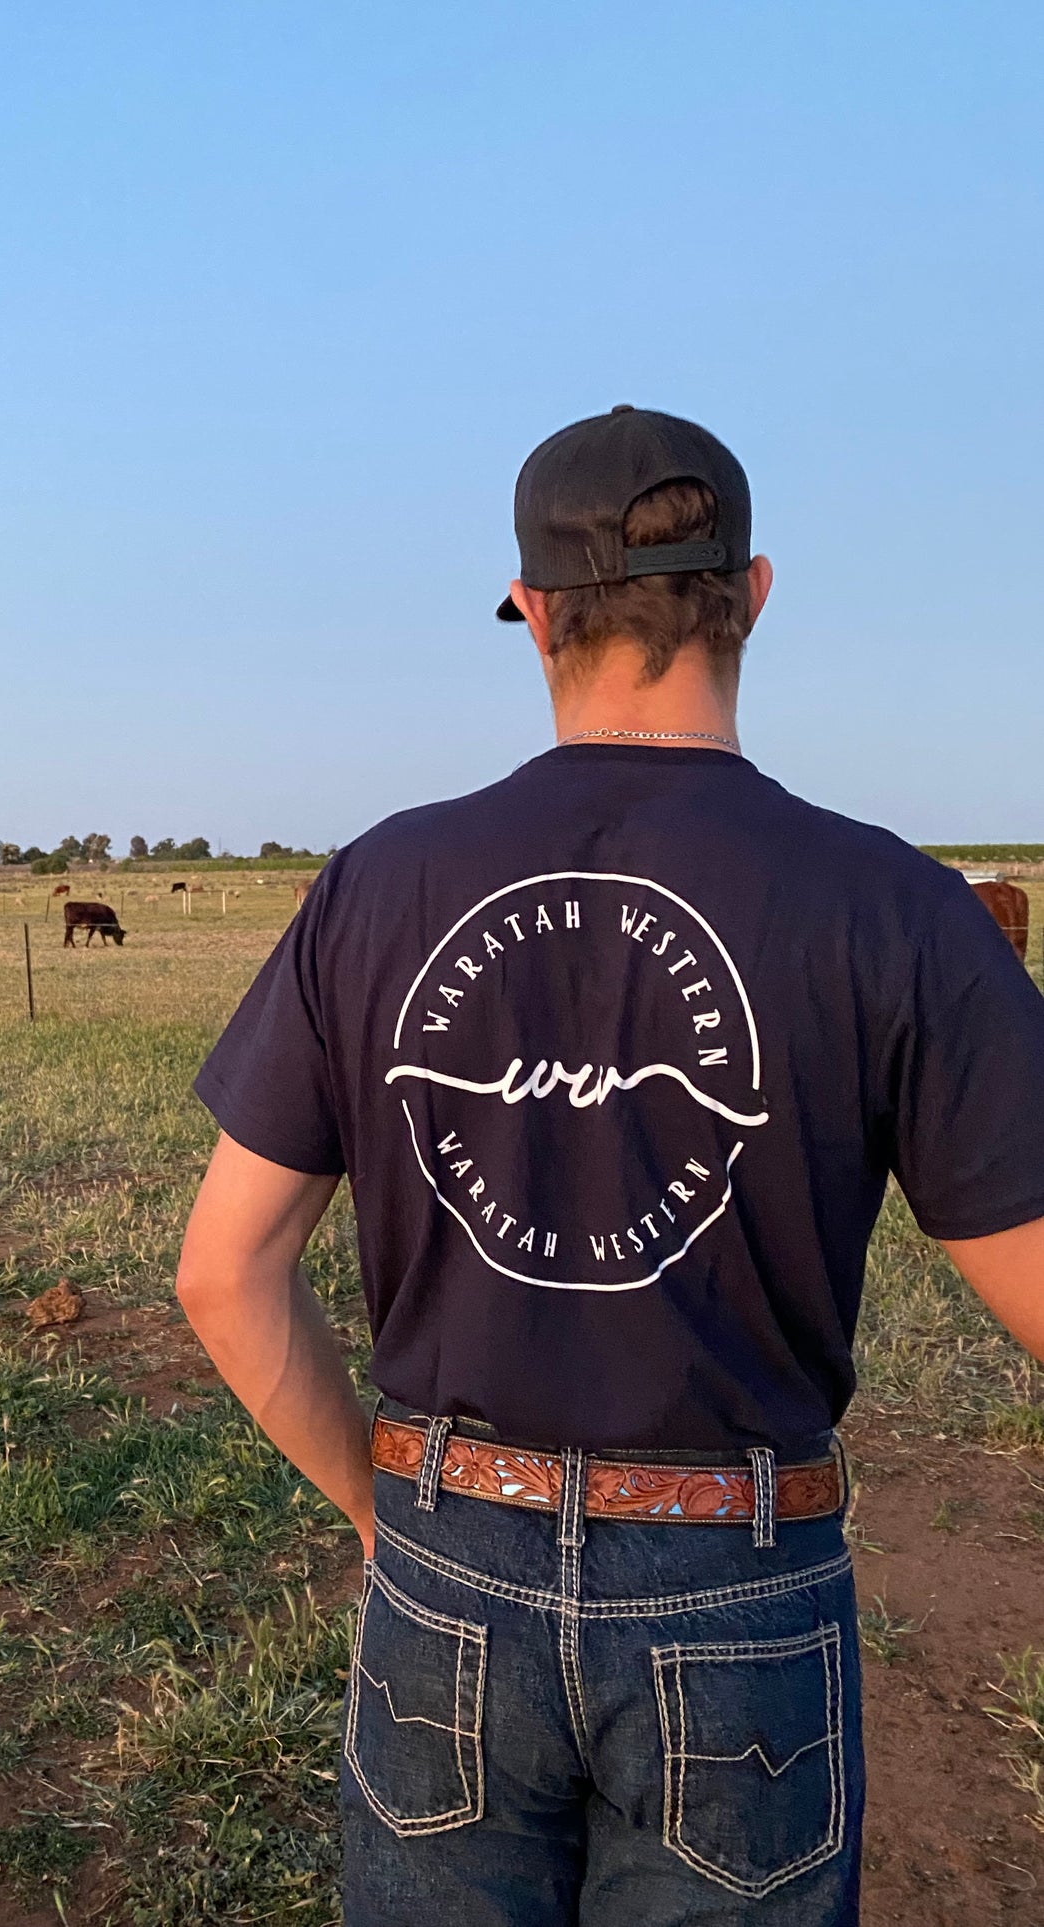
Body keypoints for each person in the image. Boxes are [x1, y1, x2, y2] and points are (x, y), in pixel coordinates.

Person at [175, 405, 1044, 1925]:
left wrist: (393, 1518)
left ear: (529, 614)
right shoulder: (894, 909)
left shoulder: (380, 881)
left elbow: (221, 1273)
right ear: (754, 594)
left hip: (447, 1556)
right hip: (740, 1589)